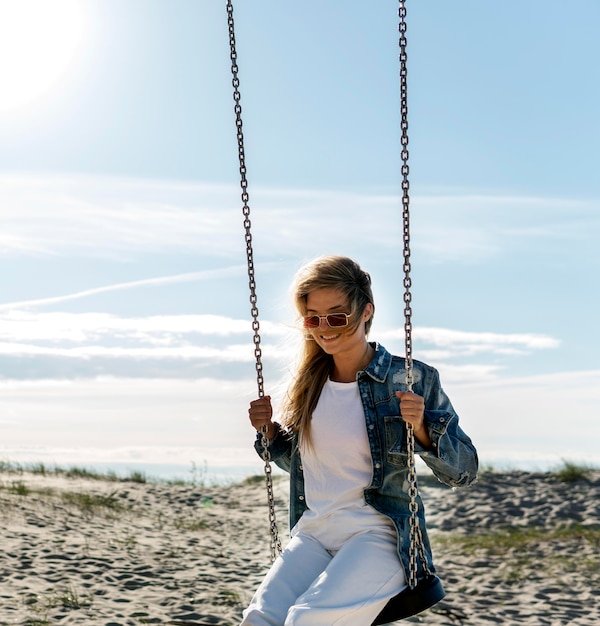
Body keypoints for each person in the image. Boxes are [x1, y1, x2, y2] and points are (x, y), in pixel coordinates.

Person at [241, 255, 478, 626]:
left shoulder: (409, 379)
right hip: (314, 531)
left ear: (366, 311)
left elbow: (464, 471)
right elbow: (308, 466)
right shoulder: (308, 385)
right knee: (259, 619)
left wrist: (421, 428)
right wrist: (270, 433)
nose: (325, 328)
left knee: (308, 619)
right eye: (313, 318)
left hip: (378, 535)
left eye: (337, 316)